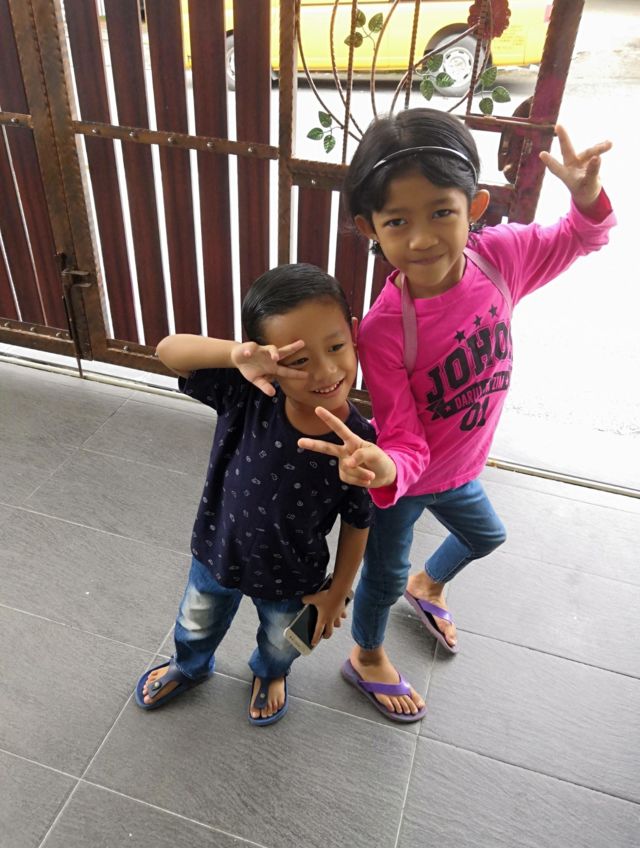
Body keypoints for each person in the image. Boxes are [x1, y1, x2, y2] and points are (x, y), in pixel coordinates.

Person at [298, 108, 615, 722]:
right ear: (370, 227)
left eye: (441, 212)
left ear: (476, 206)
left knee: (487, 536)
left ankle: (428, 585)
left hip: (465, 468)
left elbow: (583, 236)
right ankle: (366, 656)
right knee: (381, 578)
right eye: (398, 221)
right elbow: (403, 435)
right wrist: (387, 466)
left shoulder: (501, 258)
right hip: (407, 482)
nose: (421, 239)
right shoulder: (386, 329)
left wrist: (586, 198)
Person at [135, 263, 374, 726]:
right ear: (267, 359)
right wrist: (235, 354)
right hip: (217, 552)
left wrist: (338, 592)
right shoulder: (245, 394)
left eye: (336, 347)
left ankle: (270, 673)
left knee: (282, 643)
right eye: (298, 360)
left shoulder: (360, 444)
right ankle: (190, 664)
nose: (326, 371)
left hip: (294, 575)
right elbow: (168, 351)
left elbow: (359, 521)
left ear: (353, 332)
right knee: (195, 623)